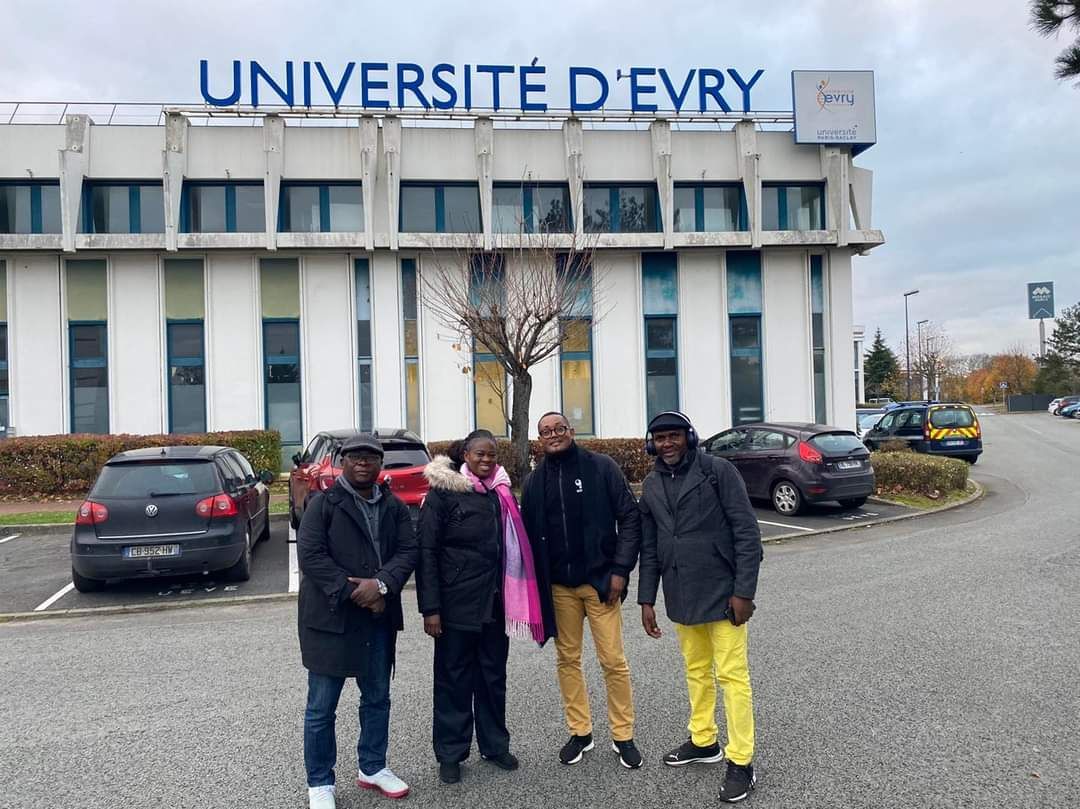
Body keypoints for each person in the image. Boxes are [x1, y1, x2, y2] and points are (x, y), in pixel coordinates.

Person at [636, 411, 764, 803]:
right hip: (681, 593)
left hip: (724, 593)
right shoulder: (651, 484)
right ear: (652, 444)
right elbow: (651, 546)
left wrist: (744, 593)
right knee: (696, 671)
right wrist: (646, 599)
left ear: (689, 437)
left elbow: (747, 532)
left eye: (674, 436)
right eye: (660, 438)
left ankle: (741, 760)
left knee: (732, 676)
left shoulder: (718, 472)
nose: (667, 444)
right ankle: (704, 740)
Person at [417, 429, 554, 785]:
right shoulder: (443, 493)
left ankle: (494, 746)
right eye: (479, 453)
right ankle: (451, 753)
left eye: (492, 454)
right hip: (455, 605)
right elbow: (427, 552)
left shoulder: (500, 493)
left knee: (493, 678)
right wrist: (430, 608)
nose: (486, 460)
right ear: (465, 455)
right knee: (453, 680)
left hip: (495, 604)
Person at [297, 434, 418, 809]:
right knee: (321, 708)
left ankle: (373, 767)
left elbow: (408, 550)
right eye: (355, 457)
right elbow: (311, 555)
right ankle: (320, 782)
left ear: (380, 463)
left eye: (370, 457)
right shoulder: (323, 504)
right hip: (331, 620)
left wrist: (381, 585)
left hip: (378, 618)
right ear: (342, 462)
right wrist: (355, 592)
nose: (363, 462)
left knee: (377, 698)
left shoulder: (394, 507)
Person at [521, 411, 644, 769]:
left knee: (613, 661)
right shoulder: (534, 482)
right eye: (546, 431)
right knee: (567, 660)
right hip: (560, 587)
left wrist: (620, 570)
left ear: (571, 431)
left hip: (601, 583)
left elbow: (630, 518)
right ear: (540, 439)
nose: (553, 435)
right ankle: (580, 732)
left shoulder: (601, 467)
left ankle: (623, 735)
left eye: (559, 428)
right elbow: (527, 537)